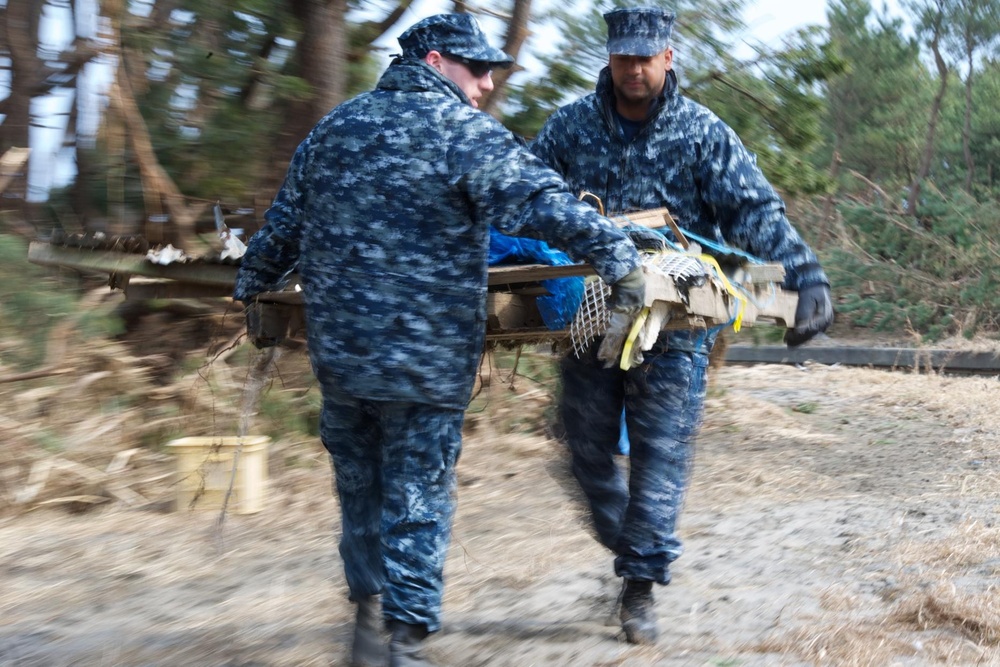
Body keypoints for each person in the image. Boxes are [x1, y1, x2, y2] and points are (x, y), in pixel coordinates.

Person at [233, 13, 647, 667]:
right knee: (418, 492)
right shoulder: (460, 131)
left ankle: (368, 621)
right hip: (426, 362)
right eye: (476, 68)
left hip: (342, 358)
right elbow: (544, 200)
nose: (485, 83)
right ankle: (404, 637)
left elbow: (279, 232)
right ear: (433, 61)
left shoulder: (332, 130)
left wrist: (249, 288)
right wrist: (620, 258)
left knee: (360, 486)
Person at [530, 6, 835, 645]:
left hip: (677, 322)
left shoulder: (702, 133)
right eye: (623, 58)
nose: (633, 70)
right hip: (588, 317)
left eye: (646, 58)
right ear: (608, 58)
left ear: (668, 57)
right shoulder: (568, 128)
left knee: (660, 455)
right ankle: (631, 540)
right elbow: (524, 198)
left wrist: (805, 276)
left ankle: (639, 584)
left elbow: (753, 209)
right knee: (584, 449)